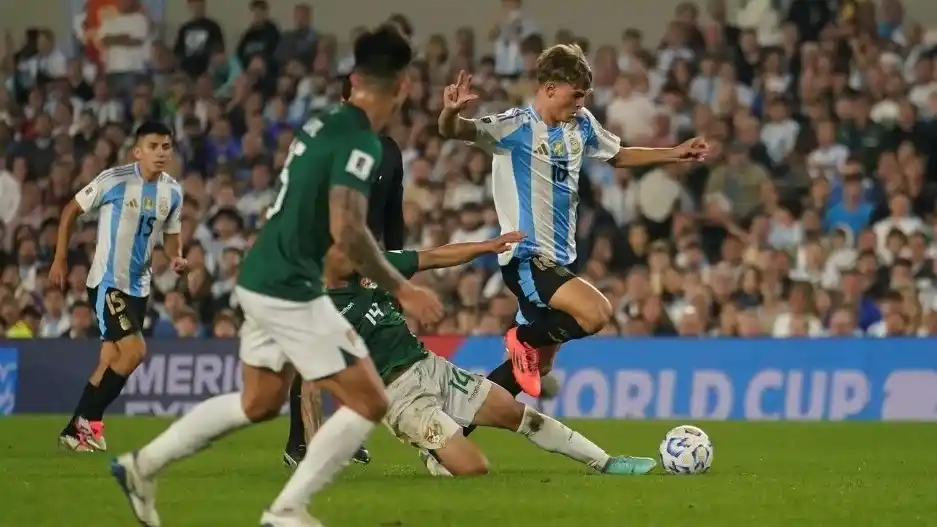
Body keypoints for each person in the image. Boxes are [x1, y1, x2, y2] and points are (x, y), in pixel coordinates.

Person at [109, 26, 443, 527]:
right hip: (290, 284)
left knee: (259, 401)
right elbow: (348, 228)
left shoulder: (320, 123)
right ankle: (287, 509)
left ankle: (141, 467)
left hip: (263, 271)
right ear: (402, 88)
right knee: (369, 399)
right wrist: (403, 288)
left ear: (352, 80)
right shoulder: (362, 144)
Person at [437, 44, 709, 398]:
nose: (581, 103)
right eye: (576, 95)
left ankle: (452, 431)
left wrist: (673, 153)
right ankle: (521, 337)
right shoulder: (514, 126)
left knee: (540, 365)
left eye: (585, 96)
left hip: (563, 259)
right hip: (526, 256)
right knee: (597, 313)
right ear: (550, 88)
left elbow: (619, 155)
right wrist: (449, 113)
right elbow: (456, 130)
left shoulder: (580, 124)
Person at [301, 232, 655, 477]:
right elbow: (309, 386)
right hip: (399, 397)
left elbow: (436, 256)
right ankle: (436, 454)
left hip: (430, 366)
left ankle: (605, 462)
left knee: (517, 414)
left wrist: (487, 246)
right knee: (474, 468)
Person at [282, 74, 406, 468]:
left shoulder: (389, 150)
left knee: (355, 351)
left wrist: (390, 264)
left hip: (368, 265)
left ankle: (345, 436)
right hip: (324, 261)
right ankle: (299, 441)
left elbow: (392, 215)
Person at [50, 121, 186, 452]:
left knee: (110, 357)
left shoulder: (173, 192)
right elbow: (71, 210)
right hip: (108, 282)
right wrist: (59, 259)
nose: (160, 153)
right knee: (135, 351)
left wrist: (176, 257)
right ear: (137, 151)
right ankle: (89, 420)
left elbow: (171, 236)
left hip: (139, 286)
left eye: (166, 147)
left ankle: (74, 431)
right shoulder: (114, 180)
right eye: (153, 146)